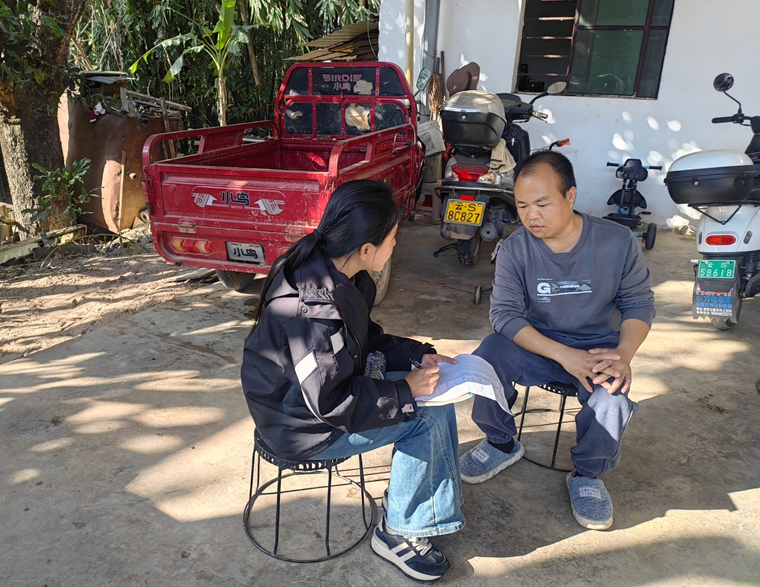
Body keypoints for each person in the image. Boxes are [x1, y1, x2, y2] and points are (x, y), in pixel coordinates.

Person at [242, 180, 464, 582]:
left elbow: (365, 340)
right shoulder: (313, 311)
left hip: (314, 398)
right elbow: (331, 402)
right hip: (300, 426)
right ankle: (398, 532)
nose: (395, 244)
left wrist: (415, 355)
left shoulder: (341, 272)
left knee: (436, 396)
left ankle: (412, 503)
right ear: (366, 248)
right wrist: (405, 390)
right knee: (425, 418)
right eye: (393, 237)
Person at [459, 151, 655, 530]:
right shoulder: (515, 248)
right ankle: (500, 442)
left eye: (542, 203)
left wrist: (623, 354)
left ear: (570, 196)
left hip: (598, 352)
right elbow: (504, 315)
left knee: (613, 399)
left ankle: (588, 475)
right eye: (522, 206)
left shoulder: (616, 242)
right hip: (539, 347)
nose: (531, 215)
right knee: (487, 356)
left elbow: (639, 303)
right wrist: (563, 355)